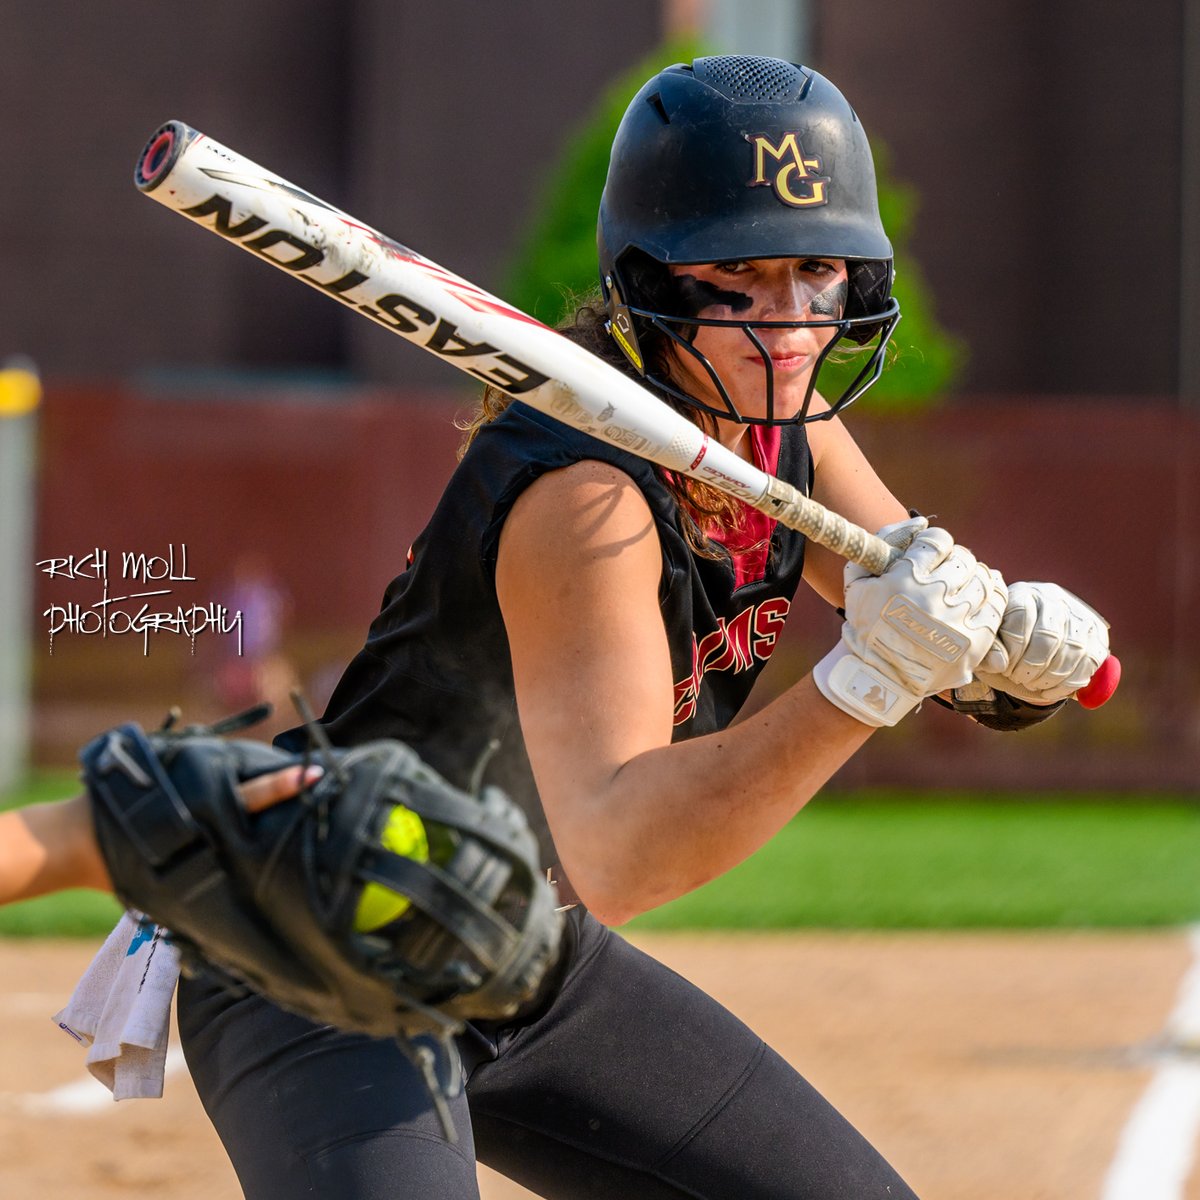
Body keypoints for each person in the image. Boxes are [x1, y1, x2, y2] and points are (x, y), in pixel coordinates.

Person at [1, 56, 1109, 1198]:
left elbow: (910, 600)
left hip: (510, 943)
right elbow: (623, 849)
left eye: (815, 273)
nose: (785, 326)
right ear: (653, 281)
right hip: (326, 945)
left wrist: (1005, 653)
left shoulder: (793, 428)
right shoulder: (586, 501)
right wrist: (866, 684)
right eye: (739, 279)